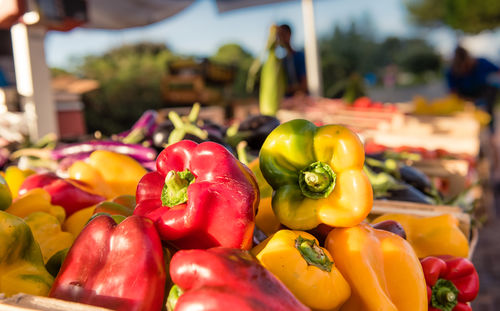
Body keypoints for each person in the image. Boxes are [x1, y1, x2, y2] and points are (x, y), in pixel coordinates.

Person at [446, 45, 500, 172]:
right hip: (466, 103)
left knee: (491, 136)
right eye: (461, 68)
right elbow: (453, 94)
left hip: (486, 99)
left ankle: (497, 169)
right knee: (472, 135)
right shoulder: (451, 72)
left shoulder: (481, 63)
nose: (464, 70)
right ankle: (478, 161)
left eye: (466, 67)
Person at [277, 24, 307, 96]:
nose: (281, 38)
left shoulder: (300, 57)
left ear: (289, 35)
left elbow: (304, 85)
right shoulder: (281, 62)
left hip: (301, 99)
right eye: (279, 36)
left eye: (283, 34)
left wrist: (284, 89)